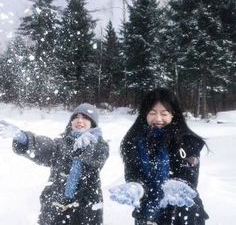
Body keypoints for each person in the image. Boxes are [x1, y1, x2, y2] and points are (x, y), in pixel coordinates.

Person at [109, 88, 209, 225]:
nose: (158, 119)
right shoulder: (134, 142)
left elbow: (189, 178)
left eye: (164, 113)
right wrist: (136, 187)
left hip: (181, 214)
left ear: (173, 114)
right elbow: (133, 174)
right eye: (152, 113)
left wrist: (178, 184)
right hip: (147, 214)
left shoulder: (187, 141)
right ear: (145, 114)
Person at [0, 103, 109, 225]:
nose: (79, 120)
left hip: (86, 212)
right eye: (76, 117)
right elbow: (46, 147)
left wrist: (87, 148)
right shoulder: (61, 143)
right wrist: (25, 139)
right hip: (54, 209)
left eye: (85, 117)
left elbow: (98, 157)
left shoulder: (100, 145)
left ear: (92, 123)